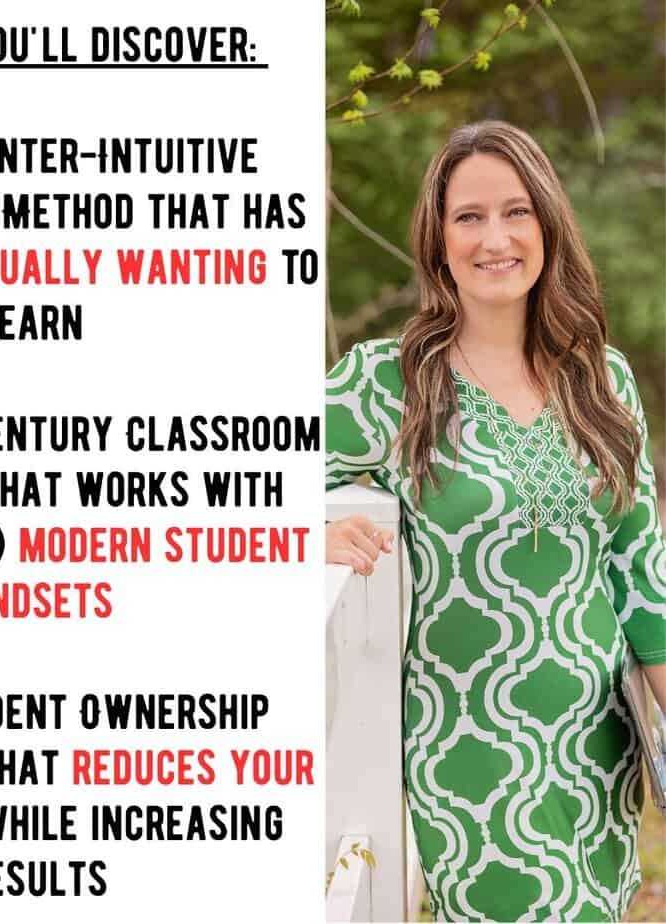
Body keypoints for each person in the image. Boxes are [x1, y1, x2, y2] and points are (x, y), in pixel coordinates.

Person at [325, 121, 666, 922]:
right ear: (438, 241)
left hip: (595, 750)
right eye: (468, 217)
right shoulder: (389, 381)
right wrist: (312, 533)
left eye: (515, 212)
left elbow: (639, 562)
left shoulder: (601, 381)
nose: (495, 238)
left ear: (546, 225)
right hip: (469, 758)